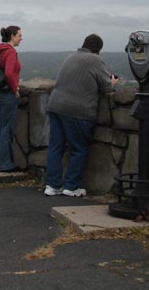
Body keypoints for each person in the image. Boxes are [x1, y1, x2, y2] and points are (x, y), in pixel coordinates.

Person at [44, 34, 118, 197]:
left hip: (55, 105)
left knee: (56, 147)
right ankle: (71, 186)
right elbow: (106, 89)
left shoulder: (71, 57)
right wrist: (112, 83)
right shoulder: (96, 60)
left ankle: (52, 185)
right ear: (98, 50)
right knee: (78, 148)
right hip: (77, 110)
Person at [0, 25, 23, 172]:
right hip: (6, 95)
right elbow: (9, 73)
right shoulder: (10, 52)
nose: (21, 38)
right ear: (12, 36)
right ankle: (5, 164)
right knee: (7, 129)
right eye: (19, 35)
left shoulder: (0, 50)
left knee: (2, 127)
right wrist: (15, 89)